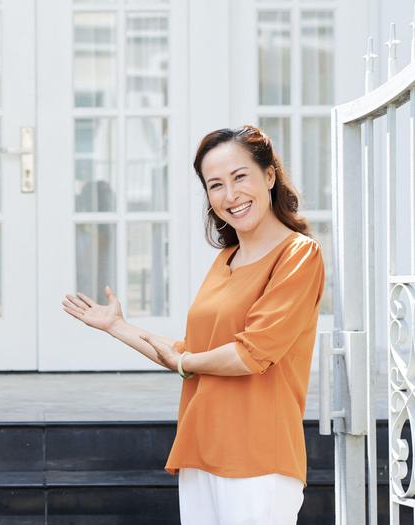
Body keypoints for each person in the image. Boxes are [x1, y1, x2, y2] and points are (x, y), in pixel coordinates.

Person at [61, 125, 325, 525]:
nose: (230, 195)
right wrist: (118, 327)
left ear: (269, 176)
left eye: (240, 177)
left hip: (258, 457)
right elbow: (193, 352)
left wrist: (186, 363)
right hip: (202, 449)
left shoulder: (299, 255)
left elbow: (249, 354)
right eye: (215, 185)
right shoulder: (226, 260)